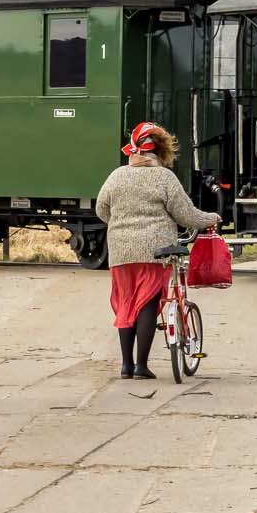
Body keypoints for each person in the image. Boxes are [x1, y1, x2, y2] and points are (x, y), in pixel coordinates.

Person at [95, 122, 216, 378]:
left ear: (133, 152)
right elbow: (186, 216)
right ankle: (141, 366)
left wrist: (122, 225)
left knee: (127, 303)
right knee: (148, 302)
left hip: (120, 251)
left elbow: (101, 210)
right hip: (155, 250)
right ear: (159, 153)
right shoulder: (164, 178)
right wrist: (211, 218)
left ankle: (126, 366)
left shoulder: (116, 176)